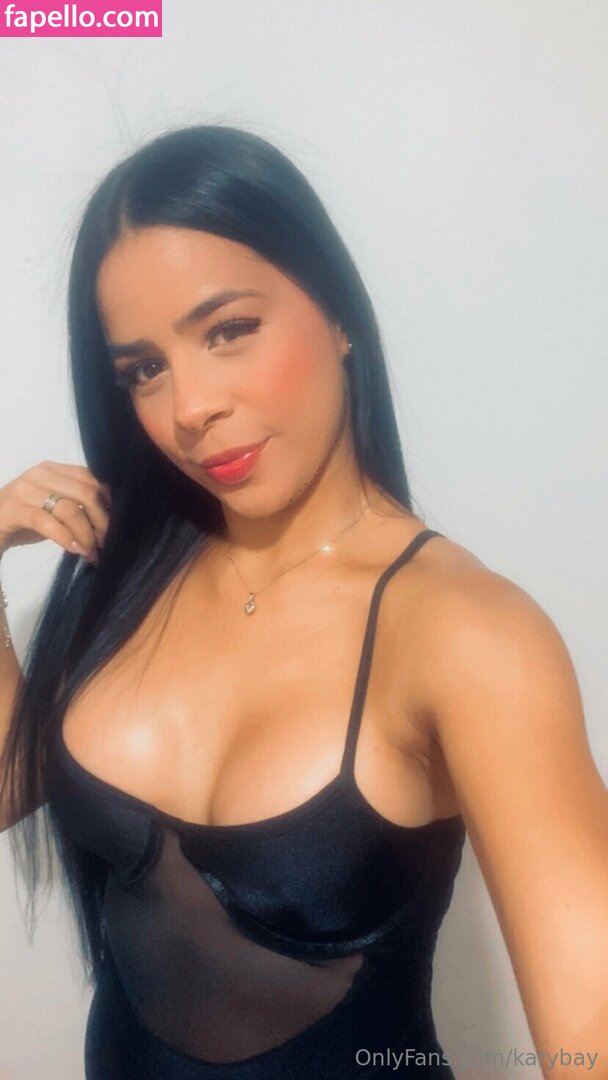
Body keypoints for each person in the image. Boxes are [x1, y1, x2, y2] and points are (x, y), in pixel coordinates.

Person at [0, 125, 606, 1080]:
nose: (189, 406)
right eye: (144, 369)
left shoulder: (467, 633)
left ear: (338, 313)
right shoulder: (127, 570)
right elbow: (10, 788)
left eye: (227, 330)